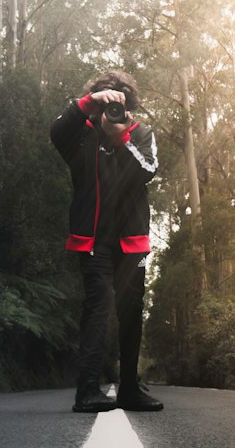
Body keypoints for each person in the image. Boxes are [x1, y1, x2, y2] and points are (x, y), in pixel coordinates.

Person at [50, 70, 164, 413]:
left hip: (134, 244)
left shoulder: (141, 133)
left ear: (129, 105)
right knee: (97, 308)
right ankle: (87, 390)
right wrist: (88, 104)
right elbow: (56, 132)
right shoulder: (80, 136)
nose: (113, 109)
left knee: (132, 311)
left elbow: (147, 171)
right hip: (93, 240)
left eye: (119, 101)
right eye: (107, 101)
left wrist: (121, 139)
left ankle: (129, 389)